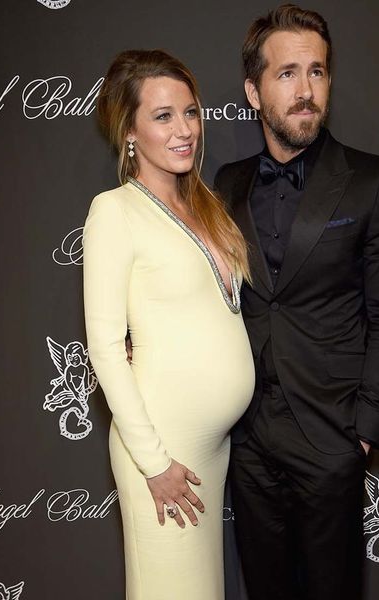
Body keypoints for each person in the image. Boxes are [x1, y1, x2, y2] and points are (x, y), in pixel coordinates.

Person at [213, 5, 379, 600]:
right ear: (254, 92)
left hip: (331, 433)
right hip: (248, 436)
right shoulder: (228, 184)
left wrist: (364, 432)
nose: (306, 90)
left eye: (317, 71)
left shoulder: (374, 181)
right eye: (287, 74)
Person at [83, 49, 255, 600]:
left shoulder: (205, 205)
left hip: (210, 447)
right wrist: (154, 462)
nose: (185, 130)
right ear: (129, 132)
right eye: (163, 116)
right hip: (161, 449)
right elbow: (105, 347)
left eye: (190, 112)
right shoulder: (114, 211)